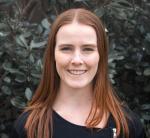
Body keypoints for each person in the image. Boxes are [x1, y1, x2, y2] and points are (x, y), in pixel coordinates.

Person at [10, 8, 145, 138]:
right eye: (66, 48)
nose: (76, 60)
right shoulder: (29, 127)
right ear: (53, 55)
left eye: (87, 49)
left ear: (101, 56)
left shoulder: (128, 126)